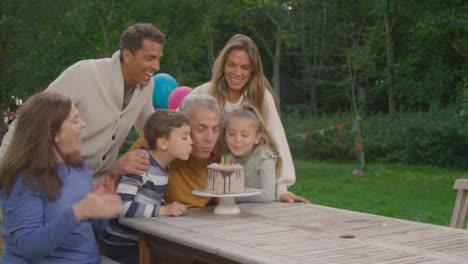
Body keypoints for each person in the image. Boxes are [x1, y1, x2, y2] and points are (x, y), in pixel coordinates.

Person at [0, 23, 165, 182]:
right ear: (128, 55)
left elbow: (151, 132)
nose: (156, 66)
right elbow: (30, 121)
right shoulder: (84, 74)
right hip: (56, 183)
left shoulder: (147, 85)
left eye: (158, 59)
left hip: (98, 187)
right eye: (150, 58)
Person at [0, 92, 122, 264]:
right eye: (75, 121)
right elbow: (29, 247)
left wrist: (100, 208)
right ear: (51, 134)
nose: (83, 124)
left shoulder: (77, 168)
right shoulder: (23, 178)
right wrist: (80, 210)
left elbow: (92, 230)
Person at [186, 34, 308, 203]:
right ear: (223, 65)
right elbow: (175, 125)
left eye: (244, 67)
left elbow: (276, 142)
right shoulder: (205, 92)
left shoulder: (262, 98)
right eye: (231, 65)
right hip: (205, 176)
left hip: (249, 184)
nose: (237, 72)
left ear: (253, 70)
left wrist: (281, 189)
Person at [99, 110, 190, 264]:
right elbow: (122, 206)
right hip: (121, 244)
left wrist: (166, 206)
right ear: (163, 143)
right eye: (184, 137)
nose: (191, 142)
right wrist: (162, 210)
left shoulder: (163, 167)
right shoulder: (141, 163)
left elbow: (148, 198)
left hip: (139, 241)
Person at [130, 94, 222, 208]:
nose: (210, 138)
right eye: (201, 129)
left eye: (215, 129)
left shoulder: (219, 156)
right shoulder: (157, 141)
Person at [223, 104, 278, 203]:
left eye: (244, 135)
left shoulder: (264, 157)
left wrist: (234, 196)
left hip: (265, 213)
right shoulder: (226, 159)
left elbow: (267, 196)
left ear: (257, 138)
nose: (237, 140)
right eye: (231, 134)